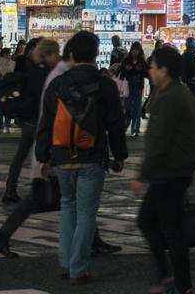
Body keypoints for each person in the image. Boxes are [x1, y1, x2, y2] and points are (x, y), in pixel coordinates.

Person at [35, 30, 128, 284]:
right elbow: (115, 124)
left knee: (68, 206)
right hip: (92, 157)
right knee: (87, 212)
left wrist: (43, 156)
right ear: (97, 55)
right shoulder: (104, 84)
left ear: (72, 55)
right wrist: (119, 156)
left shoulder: (58, 84)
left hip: (61, 157)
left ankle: (67, 261)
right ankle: (79, 268)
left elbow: (45, 123)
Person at [133, 45, 195, 294]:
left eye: (153, 66)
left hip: (170, 171)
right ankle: (168, 277)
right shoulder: (175, 92)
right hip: (176, 169)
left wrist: (142, 176)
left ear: (164, 70)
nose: (149, 70)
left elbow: (158, 142)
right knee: (152, 222)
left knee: (168, 229)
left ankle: (179, 283)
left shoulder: (171, 97)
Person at [2, 38, 59, 203]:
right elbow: (42, 97)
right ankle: (42, 189)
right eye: (55, 54)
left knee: (22, 155)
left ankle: (11, 188)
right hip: (37, 119)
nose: (57, 58)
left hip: (28, 119)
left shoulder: (33, 68)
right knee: (44, 153)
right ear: (47, 54)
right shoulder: (43, 72)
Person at [119, 41, 149, 137]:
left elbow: (146, 73)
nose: (135, 52)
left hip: (138, 86)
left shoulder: (142, 61)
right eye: (134, 50)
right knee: (127, 107)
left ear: (140, 51)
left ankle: (135, 129)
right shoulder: (126, 60)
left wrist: (141, 71)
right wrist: (126, 70)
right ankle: (125, 125)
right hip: (127, 86)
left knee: (137, 108)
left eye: (137, 50)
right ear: (131, 50)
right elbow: (121, 73)